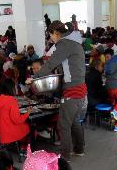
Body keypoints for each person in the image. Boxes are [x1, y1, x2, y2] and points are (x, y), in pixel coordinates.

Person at [31, 20, 88, 159]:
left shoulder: (64, 44)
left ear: (56, 33)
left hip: (72, 90)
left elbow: (50, 63)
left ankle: (65, 156)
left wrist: (35, 77)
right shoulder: (75, 42)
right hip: (81, 89)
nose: (51, 38)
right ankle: (79, 149)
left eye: (50, 35)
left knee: (63, 126)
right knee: (74, 122)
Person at [0, 79, 30, 153]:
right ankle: (24, 148)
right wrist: (28, 112)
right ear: (11, 88)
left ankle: (17, 146)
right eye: (15, 86)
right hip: (10, 131)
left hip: (1, 131)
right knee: (28, 127)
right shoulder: (12, 100)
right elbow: (17, 120)